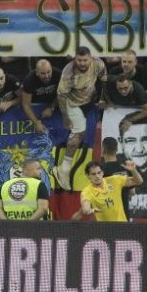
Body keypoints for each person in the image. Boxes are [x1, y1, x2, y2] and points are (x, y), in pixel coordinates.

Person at [55, 46, 106, 190]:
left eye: (85, 60)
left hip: (89, 101)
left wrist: (102, 98)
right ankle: (63, 169)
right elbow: (61, 96)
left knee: (87, 134)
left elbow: (104, 81)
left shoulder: (99, 63)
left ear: (91, 58)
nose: (82, 63)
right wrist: (65, 117)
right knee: (79, 133)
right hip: (71, 103)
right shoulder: (68, 72)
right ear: (75, 59)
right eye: (79, 60)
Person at [72, 161, 142, 222]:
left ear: (102, 173)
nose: (97, 176)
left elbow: (139, 181)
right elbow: (85, 209)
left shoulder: (115, 180)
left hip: (122, 225)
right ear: (88, 176)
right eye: (93, 174)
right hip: (105, 228)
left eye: (99, 173)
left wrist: (133, 170)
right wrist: (90, 210)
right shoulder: (87, 191)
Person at [20, 59, 60, 133]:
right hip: (35, 104)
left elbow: (63, 95)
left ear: (51, 69)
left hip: (54, 102)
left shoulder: (58, 74)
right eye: (43, 73)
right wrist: (36, 123)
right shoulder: (29, 80)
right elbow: (26, 105)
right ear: (37, 73)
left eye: (49, 72)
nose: (46, 76)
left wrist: (52, 107)